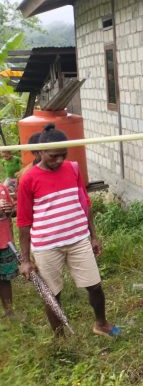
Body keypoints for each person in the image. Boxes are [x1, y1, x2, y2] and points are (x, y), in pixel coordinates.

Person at [16, 124, 119, 337]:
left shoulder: (72, 168)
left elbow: (84, 202)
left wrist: (93, 236)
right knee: (52, 295)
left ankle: (101, 324)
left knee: (95, 286)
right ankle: (60, 339)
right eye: (54, 156)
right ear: (41, 152)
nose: (59, 160)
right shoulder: (28, 178)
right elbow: (24, 222)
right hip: (46, 246)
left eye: (63, 155)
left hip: (78, 240)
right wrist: (25, 259)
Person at [0, 183, 17, 317]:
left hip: (4, 241)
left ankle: (9, 310)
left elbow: (13, 211)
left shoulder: (2, 188)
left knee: (5, 278)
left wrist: (9, 210)